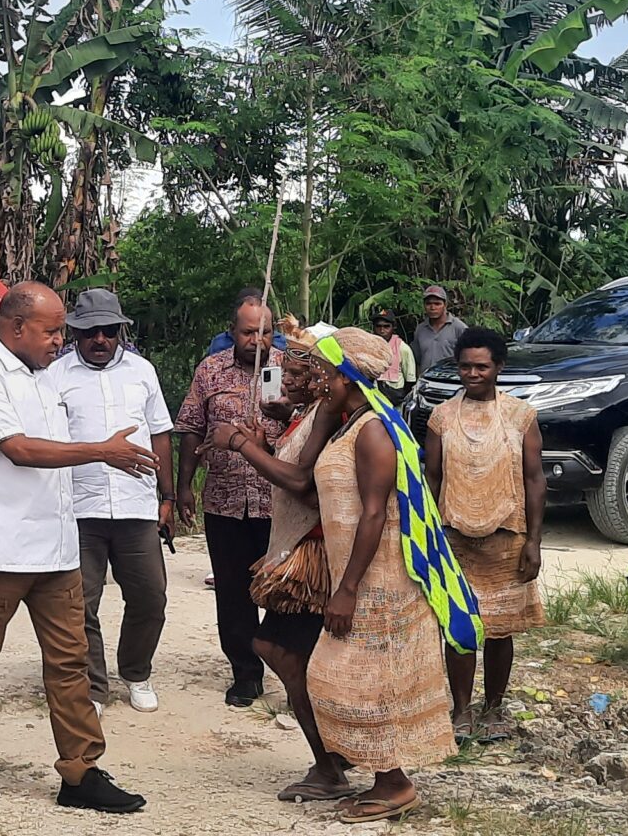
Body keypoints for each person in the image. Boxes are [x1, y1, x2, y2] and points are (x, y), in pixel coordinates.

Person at [0, 282, 154, 814]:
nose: (59, 341)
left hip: (56, 545)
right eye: (51, 331)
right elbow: (20, 450)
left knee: (70, 661)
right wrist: (103, 452)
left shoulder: (49, 377)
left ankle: (81, 772)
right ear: (15, 328)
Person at [302, 327, 457, 823]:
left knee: (358, 681)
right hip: (358, 575)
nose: (321, 380)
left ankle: (394, 784)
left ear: (349, 377)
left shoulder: (371, 430)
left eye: (327, 373)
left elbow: (373, 514)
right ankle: (382, 779)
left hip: (379, 579)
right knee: (358, 682)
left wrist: (346, 589)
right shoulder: (352, 424)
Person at [229, 332, 353, 803]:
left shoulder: (333, 413)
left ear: (328, 377)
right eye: (292, 373)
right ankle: (334, 754)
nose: (292, 383)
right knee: (288, 650)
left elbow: (304, 483)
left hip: (317, 551)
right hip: (309, 544)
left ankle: (328, 763)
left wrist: (244, 446)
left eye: (304, 374)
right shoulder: (314, 412)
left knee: (279, 649)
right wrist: (275, 434)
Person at [44, 289, 176, 714]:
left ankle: (136, 672)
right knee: (81, 602)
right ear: (75, 333)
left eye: (108, 331)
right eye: (90, 332)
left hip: (136, 504)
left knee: (150, 596)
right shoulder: (55, 375)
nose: (100, 339)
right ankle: (94, 688)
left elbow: (160, 433)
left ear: (120, 330)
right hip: (79, 506)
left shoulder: (142, 371)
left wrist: (168, 494)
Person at [421, 326, 543, 742]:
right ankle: (460, 709)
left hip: (506, 538)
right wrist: (427, 535)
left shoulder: (520, 416)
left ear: (498, 368)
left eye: (481, 366)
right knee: (459, 628)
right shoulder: (441, 417)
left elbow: (534, 479)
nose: (472, 374)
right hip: (454, 538)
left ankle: (494, 708)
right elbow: (432, 476)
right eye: (465, 366)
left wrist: (533, 541)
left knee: (499, 629)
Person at [175, 293, 288, 706]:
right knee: (232, 592)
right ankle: (245, 673)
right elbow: (189, 427)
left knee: (285, 591)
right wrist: (184, 485)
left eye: (266, 332)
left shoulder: (288, 370)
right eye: (248, 332)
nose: (257, 341)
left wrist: (282, 415)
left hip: (278, 501)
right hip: (223, 500)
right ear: (231, 332)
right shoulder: (210, 369)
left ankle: (290, 671)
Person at [410, 285, 468, 375]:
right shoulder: (420, 329)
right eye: (428, 304)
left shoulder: (459, 328)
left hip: (451, 381)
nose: (432, 308)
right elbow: (417, 360)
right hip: (427, 382)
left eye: (437, 304)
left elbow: (468, 358)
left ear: (445, 305)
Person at [372, 310, 418, 393]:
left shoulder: (402, 348)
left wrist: (401, 396)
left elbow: (410, 379)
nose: (382, 330)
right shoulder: (369, 346)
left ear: (393, 327)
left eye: (386, 327)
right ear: (373, 327)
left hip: (395, 395)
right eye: (378, 326)